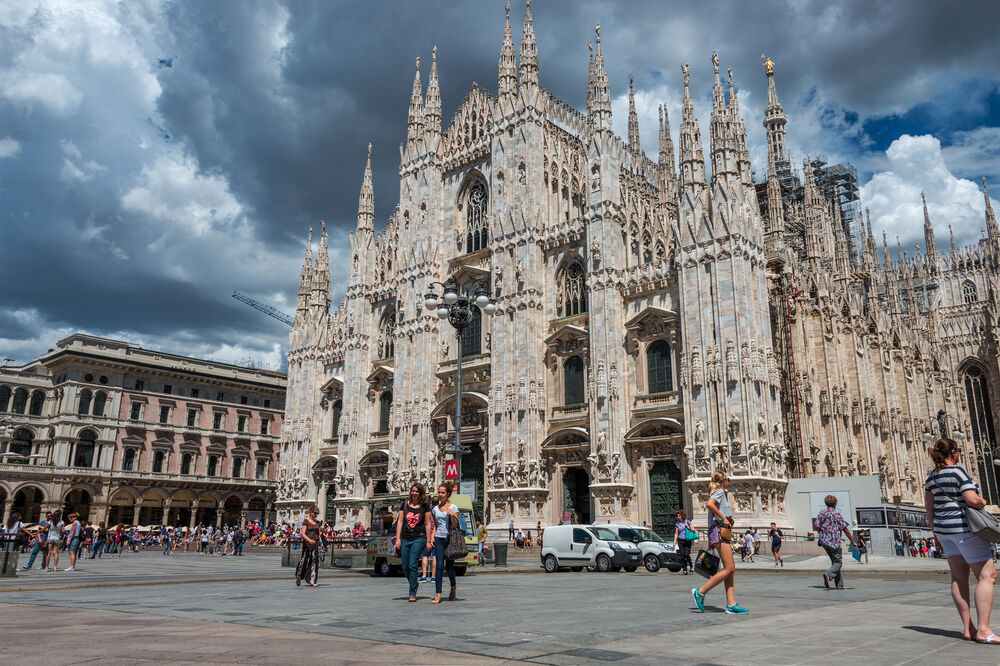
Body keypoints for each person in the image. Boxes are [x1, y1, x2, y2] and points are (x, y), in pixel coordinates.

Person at [924, 437, 998, 643]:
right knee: (987, 575)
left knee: (958, 578)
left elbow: (929, 508)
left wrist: (935, 534)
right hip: (964, 529)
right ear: (954, 453)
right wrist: (982, 501)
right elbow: (971, 499)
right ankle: (983, 630)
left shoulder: (932, 477)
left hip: (943, 531)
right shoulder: (958, 471)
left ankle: (968, 628)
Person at [692, 471, 748, 614]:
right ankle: (700, 591)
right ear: (723, 481)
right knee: (729, 568)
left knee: (730, 569)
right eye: (728, 479)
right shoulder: (720, 492)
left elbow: (710, 514)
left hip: (717, 531)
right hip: (719, 530)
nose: (729, 481)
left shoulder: (719, 493)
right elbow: (710, 504)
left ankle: (731, 604)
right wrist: (723, 518)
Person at [393, 483, 433, 602]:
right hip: (405, 537)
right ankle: (414, 583)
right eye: (412, 491)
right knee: (405, 567)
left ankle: (412, 592)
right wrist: (398, 538)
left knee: (412, 564)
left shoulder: (425, 506)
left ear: (420, 493)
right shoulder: (405, 504)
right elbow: (400, 521)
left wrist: (429, 540)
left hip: (419, 538)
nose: (414, 493)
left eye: (416, 491)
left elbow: (427, 524)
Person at [815, 495, 857, 590]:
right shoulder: (836, 514)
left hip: (824, 542)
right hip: (834, 542)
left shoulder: (821, 513)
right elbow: (845, 529)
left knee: (835, 563)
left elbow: (816, 525)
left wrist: (822, 534)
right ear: (835, 504)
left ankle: (840, 585)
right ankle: (828, 574)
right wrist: (852, 541)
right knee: (838, 563)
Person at [430, 481, 460, 604]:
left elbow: (455, 525)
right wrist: (432, 536)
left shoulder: (453, 507)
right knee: (438, 566)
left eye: (443, 493)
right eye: (439, 492)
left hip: (450, 539)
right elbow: (436, 525)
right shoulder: (435, 509)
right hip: (439, 539)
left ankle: (453, 587)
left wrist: (453, 515)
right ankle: (438, 594)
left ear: (448, 494)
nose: (440, 495)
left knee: (449, 567)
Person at [295, 506, 322, 588]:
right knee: (303, 561)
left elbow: (319, 532)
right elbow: (303, 534)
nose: (316, 515)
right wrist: (309, 540)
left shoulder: (317, 522)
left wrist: (319, 537)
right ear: (310, 512)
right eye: (315, 513)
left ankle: (312, 580)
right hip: (307, 544)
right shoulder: (306, 522)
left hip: (315, 544)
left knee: (315, 562)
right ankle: (299, 576)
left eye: (317, 513)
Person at [673, 510, 694, 575]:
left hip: (687, 540)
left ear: (682, 515)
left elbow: (693, 530)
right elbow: (676, 533)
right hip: (680, 540)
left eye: (679, 516)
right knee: (682, 556)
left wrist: (688, 527)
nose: (678, 517)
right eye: (677, 516)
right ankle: (684, 569)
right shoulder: (677, 524)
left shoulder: (688, 522)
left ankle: (691, 566)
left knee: (686, 555)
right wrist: (674, 542)